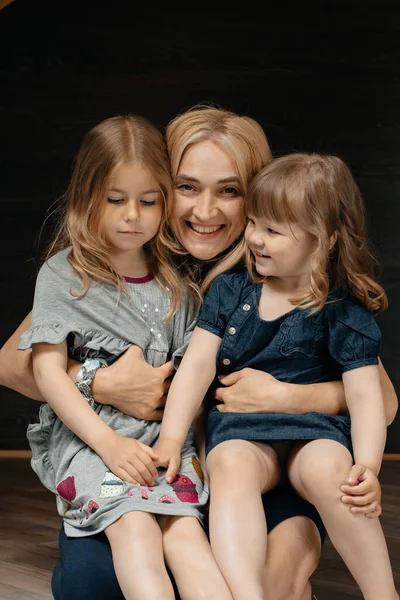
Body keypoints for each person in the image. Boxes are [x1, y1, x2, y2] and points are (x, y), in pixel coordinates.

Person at [0, 106, 397, 600]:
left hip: (260, 461)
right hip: (157, 459)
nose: (205, 211)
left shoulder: (287, 277)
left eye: (229, 191)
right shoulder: (125, 255)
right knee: (97, 583)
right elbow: (10, 362)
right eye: (187, 187)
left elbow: (383, 400)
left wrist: (288, 398)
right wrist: (100, 381)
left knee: (274, 579)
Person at [156, 152, 399, 600]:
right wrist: (171, 437)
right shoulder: (231, 291)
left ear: (324, 240)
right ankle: (245, 592)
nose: (254, 239)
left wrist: (366, 465)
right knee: (229, 466)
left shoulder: (342, 309)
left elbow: (366, 398)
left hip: (314, 433)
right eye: (253, 223)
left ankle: (382, 593)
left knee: (334, 471)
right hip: (244, 432)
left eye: (273, 230)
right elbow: (197, 366)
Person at [17, 114, 234, 600]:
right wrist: (109, 444)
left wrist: (182, 447)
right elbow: (47, 374)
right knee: (134, 529)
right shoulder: (64, 275)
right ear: (86, 197)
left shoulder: (178, 286)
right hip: (93, 444)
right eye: (115, 200)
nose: (132, 215)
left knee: (187, 541)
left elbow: (189, 384)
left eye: (148, 201)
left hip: (164, 445)